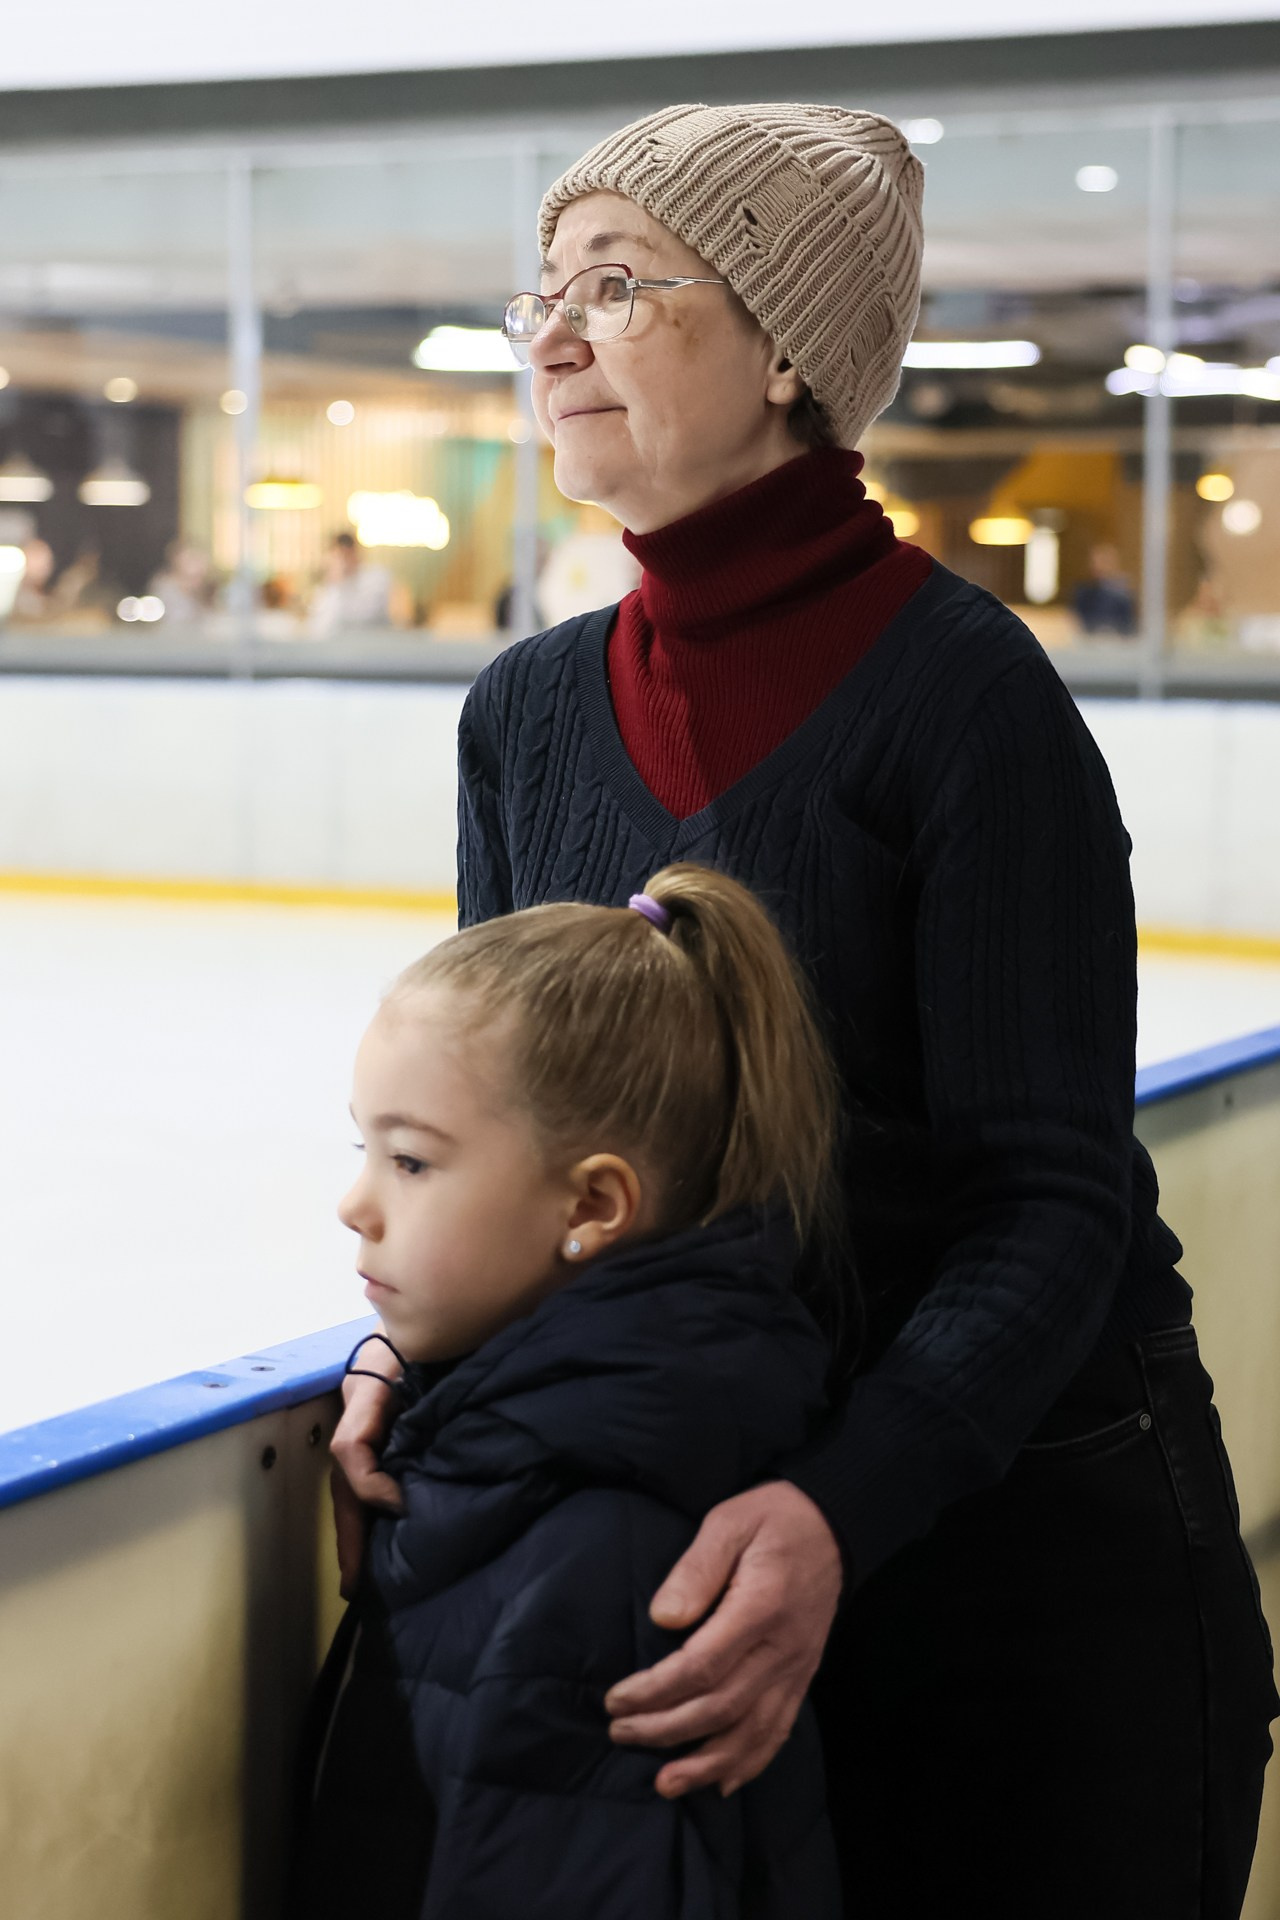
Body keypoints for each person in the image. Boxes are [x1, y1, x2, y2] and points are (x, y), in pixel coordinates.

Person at [332, 103, 1279, 1913]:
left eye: (619, 283)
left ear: (784, 349)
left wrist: (845, 1502)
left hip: (1027, 1566)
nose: (552, 330)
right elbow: (516, 1140)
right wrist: (413, 1333)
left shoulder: (969, 704)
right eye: (545, 286)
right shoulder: (523, 717)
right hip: (721, 1550)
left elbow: (1049, 1198)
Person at [291, 865, 844, 1918]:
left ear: (591, 1203)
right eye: (364, 1147)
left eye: (410, 1163)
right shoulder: (506, 1452)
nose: (353, 1204)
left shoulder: (610, 1564)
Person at [307, 530, 391, 635]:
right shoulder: (327, 587)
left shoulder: (375, 577)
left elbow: (363, 617)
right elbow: (318, 627)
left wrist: (337, 586)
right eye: (338, 556)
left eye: (346, 555)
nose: (343, 561)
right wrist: (334, 584)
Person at [1073, 540, 1137, 636]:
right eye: (1097, 562)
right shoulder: (1084, 593)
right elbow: (1078, 623)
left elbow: (1129, 626)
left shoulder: (1124, 596)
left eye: (1105, 561)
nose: (1100, 566)